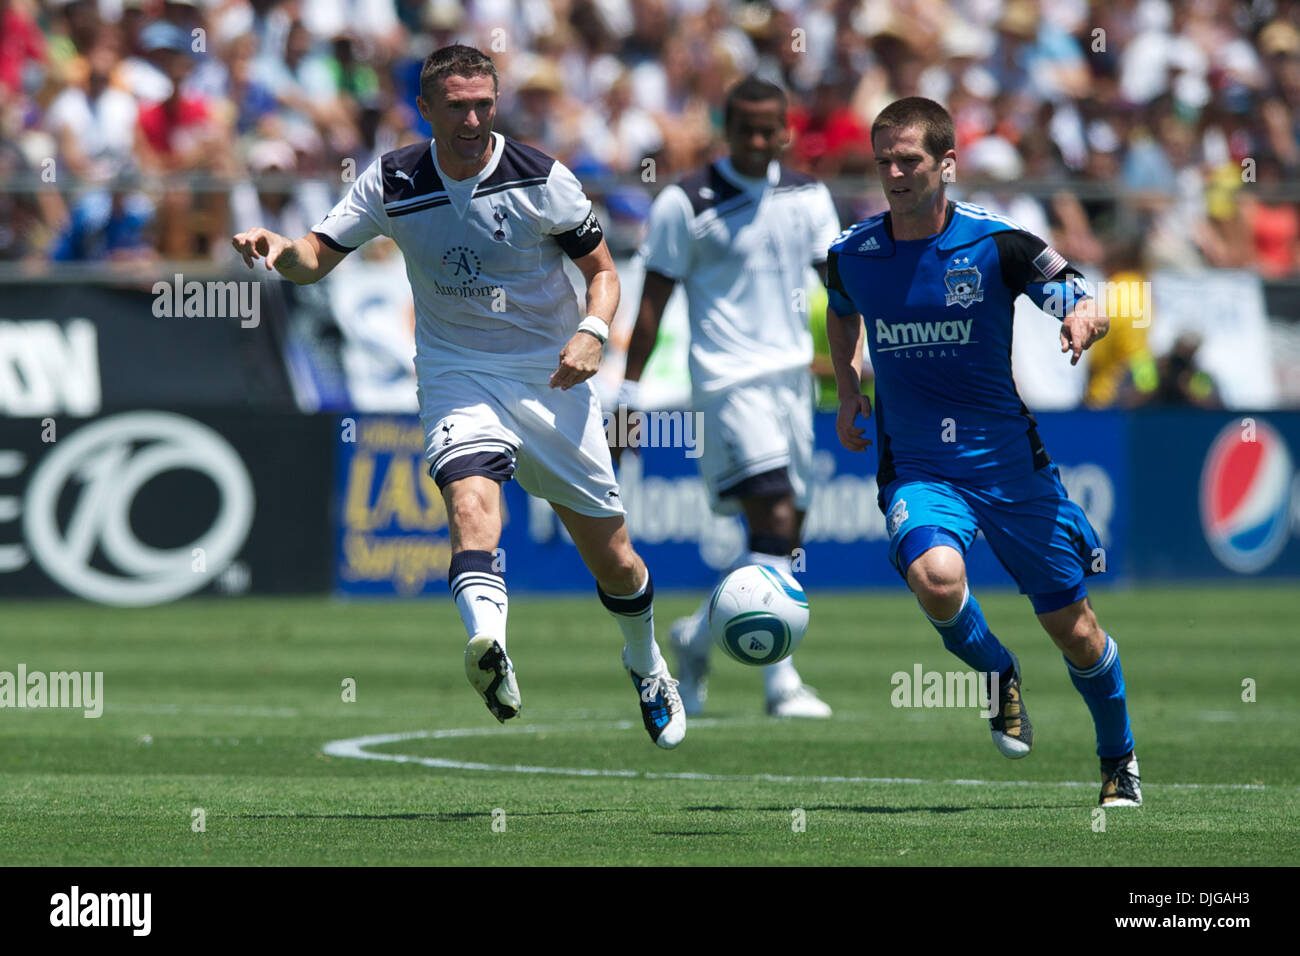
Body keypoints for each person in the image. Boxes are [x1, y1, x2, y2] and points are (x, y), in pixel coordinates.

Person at [231, 44, 685, 749]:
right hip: (457, 372)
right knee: (471, 503)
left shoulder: (543, 179)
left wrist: (594, 332)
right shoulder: (393, 180)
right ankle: (490, 649)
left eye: (483, 103)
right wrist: (277, 248)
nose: (473, 118)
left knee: (616, 560)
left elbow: (604, 273)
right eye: (457, 106)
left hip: (550, 378)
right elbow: (315, 257)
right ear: (426, 108)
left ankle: (646, 663)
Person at [824, 97, 1140, 807]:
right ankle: (998, 674)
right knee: (936, 578)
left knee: (1076, 631)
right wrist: (849, 391)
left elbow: (1067, 288)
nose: (895, 174)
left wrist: (1084, 314)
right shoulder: (854, 254)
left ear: (947, 164)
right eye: (884, 162)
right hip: (919, 467)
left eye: (909, 160)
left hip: (1008, 469)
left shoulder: (998, 244)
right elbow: (839, 309)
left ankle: (1118, 758)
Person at [622, 76, 841, 718]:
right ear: (726, 126)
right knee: (772, 518)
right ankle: (781, 683)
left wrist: (858, 367)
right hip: (727, 383)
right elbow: (653, 302)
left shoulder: (809, 196)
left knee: (787, 532)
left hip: (793, 384)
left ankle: (695, 634)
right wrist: (630, 395)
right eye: (742, 126)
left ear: (785, 130)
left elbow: (840, 286)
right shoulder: (684, 202)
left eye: (766, 127)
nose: (755, 138)